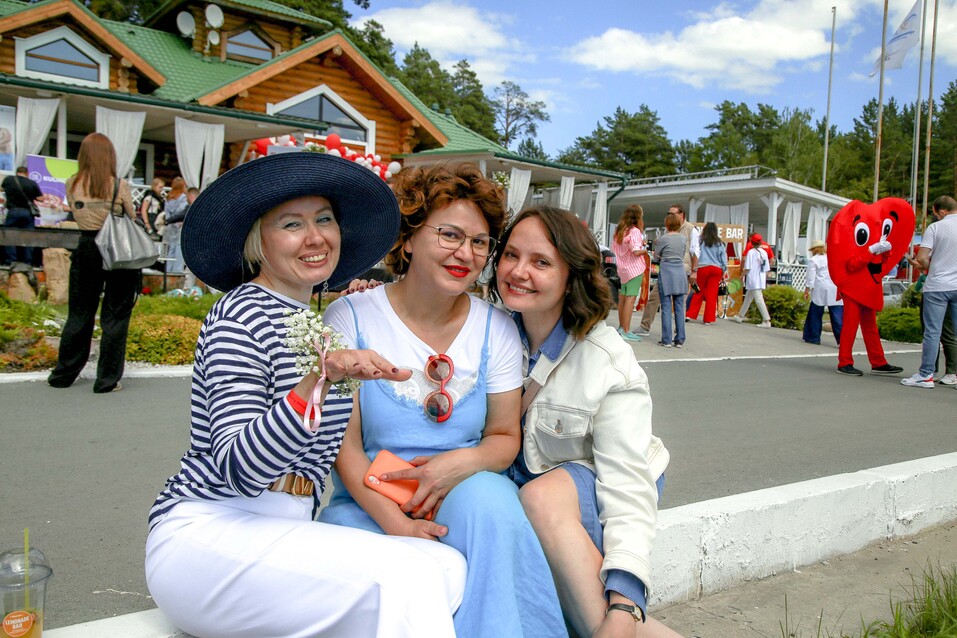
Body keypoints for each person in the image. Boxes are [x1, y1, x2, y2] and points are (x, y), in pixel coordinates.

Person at [145, 152, 466, 638]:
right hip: (208, 530)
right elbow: (238, 468)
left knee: (445, 567)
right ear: (260, 241)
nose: (315, 237)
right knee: (407, 577)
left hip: (280, 531)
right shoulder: (239, 314)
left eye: (324, 220)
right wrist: (316, 382)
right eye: (292, 224)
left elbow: (333, 448)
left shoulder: (315, 323)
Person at [319, 163, 565, 637]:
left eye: (479, 242)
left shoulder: (497, 328)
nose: (465, 254)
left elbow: (502, 436)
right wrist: (399, 525)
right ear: (408, 237)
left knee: (493, 507)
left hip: (464, 491)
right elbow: (343, 449)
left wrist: (453, 467)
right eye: (449, 235)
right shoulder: (350, 315)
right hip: (370, 498)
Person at [490, 205, 679, 638]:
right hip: (531, 480)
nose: (519, 271)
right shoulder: (490, 331)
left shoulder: (608, 360)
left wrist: (624, 602)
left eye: (541, 262)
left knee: (541, 499)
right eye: (511, 255)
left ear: (572, 276)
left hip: (607, 480)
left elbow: (627, 484)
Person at [47, 134, 138, 394]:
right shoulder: (119, 185)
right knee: (116, 314)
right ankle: (107, 380)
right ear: (109, 156)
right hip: (118, 249)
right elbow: (131, 216)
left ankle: (64, 374)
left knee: (79, 312)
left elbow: (76, 214)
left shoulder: (72, 183)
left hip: (86, 247)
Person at [901, 195, 957, 388]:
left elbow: (923, 258)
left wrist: (923, 266)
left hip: (938, 286)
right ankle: (953, 373)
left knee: (932, 332)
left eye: (935, 213)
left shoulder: (935, 228)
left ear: (942, 211)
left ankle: (926, 374)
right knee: (954, 333)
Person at [637, 203, 699, 336]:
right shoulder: (668, 229)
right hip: (667, 271)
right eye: (668, 213)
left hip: (683, 270)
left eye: (672, 214)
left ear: (681, 215)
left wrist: (694, 271)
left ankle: (678, 332)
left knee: (679, 303)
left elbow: (695, 251)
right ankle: (645, 326)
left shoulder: (691, 230)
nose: (669, 216)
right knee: (655, 298)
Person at [611, 204, 648, 341]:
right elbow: (636, 251)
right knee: (631, 299)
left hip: (622, 269)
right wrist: (645, 248)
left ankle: (621, 327)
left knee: (623, 298)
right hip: (634, 269)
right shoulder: (635, 231)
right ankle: (626, 330)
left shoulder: (619, 231)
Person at [655, 212, 688, 347]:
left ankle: (666, 339)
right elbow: (682, 253)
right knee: (679, 306)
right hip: (680, 271)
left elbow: (657, 257)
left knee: (666, 306)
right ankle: (680, 339)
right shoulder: (683, 239)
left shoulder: (663, 239)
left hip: (666, 271)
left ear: (667, 224)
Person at [802, 239, 843, 345]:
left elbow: (811, 277)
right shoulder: (832, 258)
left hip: (820, 287)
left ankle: (813, 336)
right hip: (834, 286)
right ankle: (842, 339)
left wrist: (807, 290)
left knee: (815, 313)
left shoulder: (814, 260)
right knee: (837, 315)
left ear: (814, 250)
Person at [1, 166, 43, 267]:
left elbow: (1, 189)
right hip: (27, 213)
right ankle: (27, 262)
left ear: (17, 172)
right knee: (28, 237)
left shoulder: (9, 179)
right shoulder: (32, 183)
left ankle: (11, 261)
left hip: (13, 212)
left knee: (10, 236)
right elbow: (40, 199)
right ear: (27, 173)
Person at [687, 221, 728, 325]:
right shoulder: (720, 243)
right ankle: (708, 319)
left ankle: (690, 314)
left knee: (698, 292)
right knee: (712, 294)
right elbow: (724, 260)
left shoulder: (700, 241)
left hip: (702, 268)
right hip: (716, 270)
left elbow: (695, 253)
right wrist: (723, 271)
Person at [733, 234, 772, 328]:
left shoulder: (751, 252)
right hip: (760, 278)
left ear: (752, 242)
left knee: (758, 299)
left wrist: (742, 275)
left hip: (753, 279)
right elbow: (767, 268)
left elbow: (748, 268)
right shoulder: (764, 252)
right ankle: (740, 316)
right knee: (748, 297)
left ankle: (766, 320)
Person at [162, 176, 188, 273]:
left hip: (169, 226)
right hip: (179, 225)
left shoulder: (168, 197)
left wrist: (169, 221)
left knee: (170, 249)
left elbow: (166, 212)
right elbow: (181, 212)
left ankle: (168, 271)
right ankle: (177, 271)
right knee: (178, 248)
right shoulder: (183, 198)